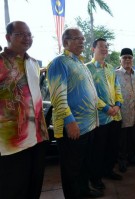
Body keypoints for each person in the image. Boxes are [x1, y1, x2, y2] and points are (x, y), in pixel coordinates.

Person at [47, 27, 104, 198]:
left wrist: (107, 108)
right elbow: (58, 97)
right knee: (72, 169)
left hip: (89, 125)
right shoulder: (59, 62)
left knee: (84, 165)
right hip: (73, 127)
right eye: (76, 38)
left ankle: (84, 191)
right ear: (66, 42)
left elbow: (91, 93)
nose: (82, 41)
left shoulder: (79, 63)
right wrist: (70, 122)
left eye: (82, 39)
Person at [0, 21, 49, 199]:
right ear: (8, 37)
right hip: (10, 142)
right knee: (12, 188)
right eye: (21, 34)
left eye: (29, 34)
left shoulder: (33, 63)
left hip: (37, 136)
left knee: (34, 185)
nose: (27, 38)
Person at [86, 38, 124, 188]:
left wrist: (118, 105)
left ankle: (108, 171)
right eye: (101, 46)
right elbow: (90, 93)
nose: (104, 49)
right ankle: (96, 179)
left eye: (106, 47)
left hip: (115, 115)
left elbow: (117, 88)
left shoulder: (110, 68)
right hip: (99, 118)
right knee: (98, 150)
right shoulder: (87, 68)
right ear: (93, 49)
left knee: (112, 148)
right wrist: (106, 108)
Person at [115, 48, 135, 173]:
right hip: (122, 113)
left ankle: (132, 158)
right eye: (124, 57)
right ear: (120, 59)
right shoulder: (115, 74)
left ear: (133, 59)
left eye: (129, 57)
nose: (127, 60)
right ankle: (122, 161)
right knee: (122, 140)